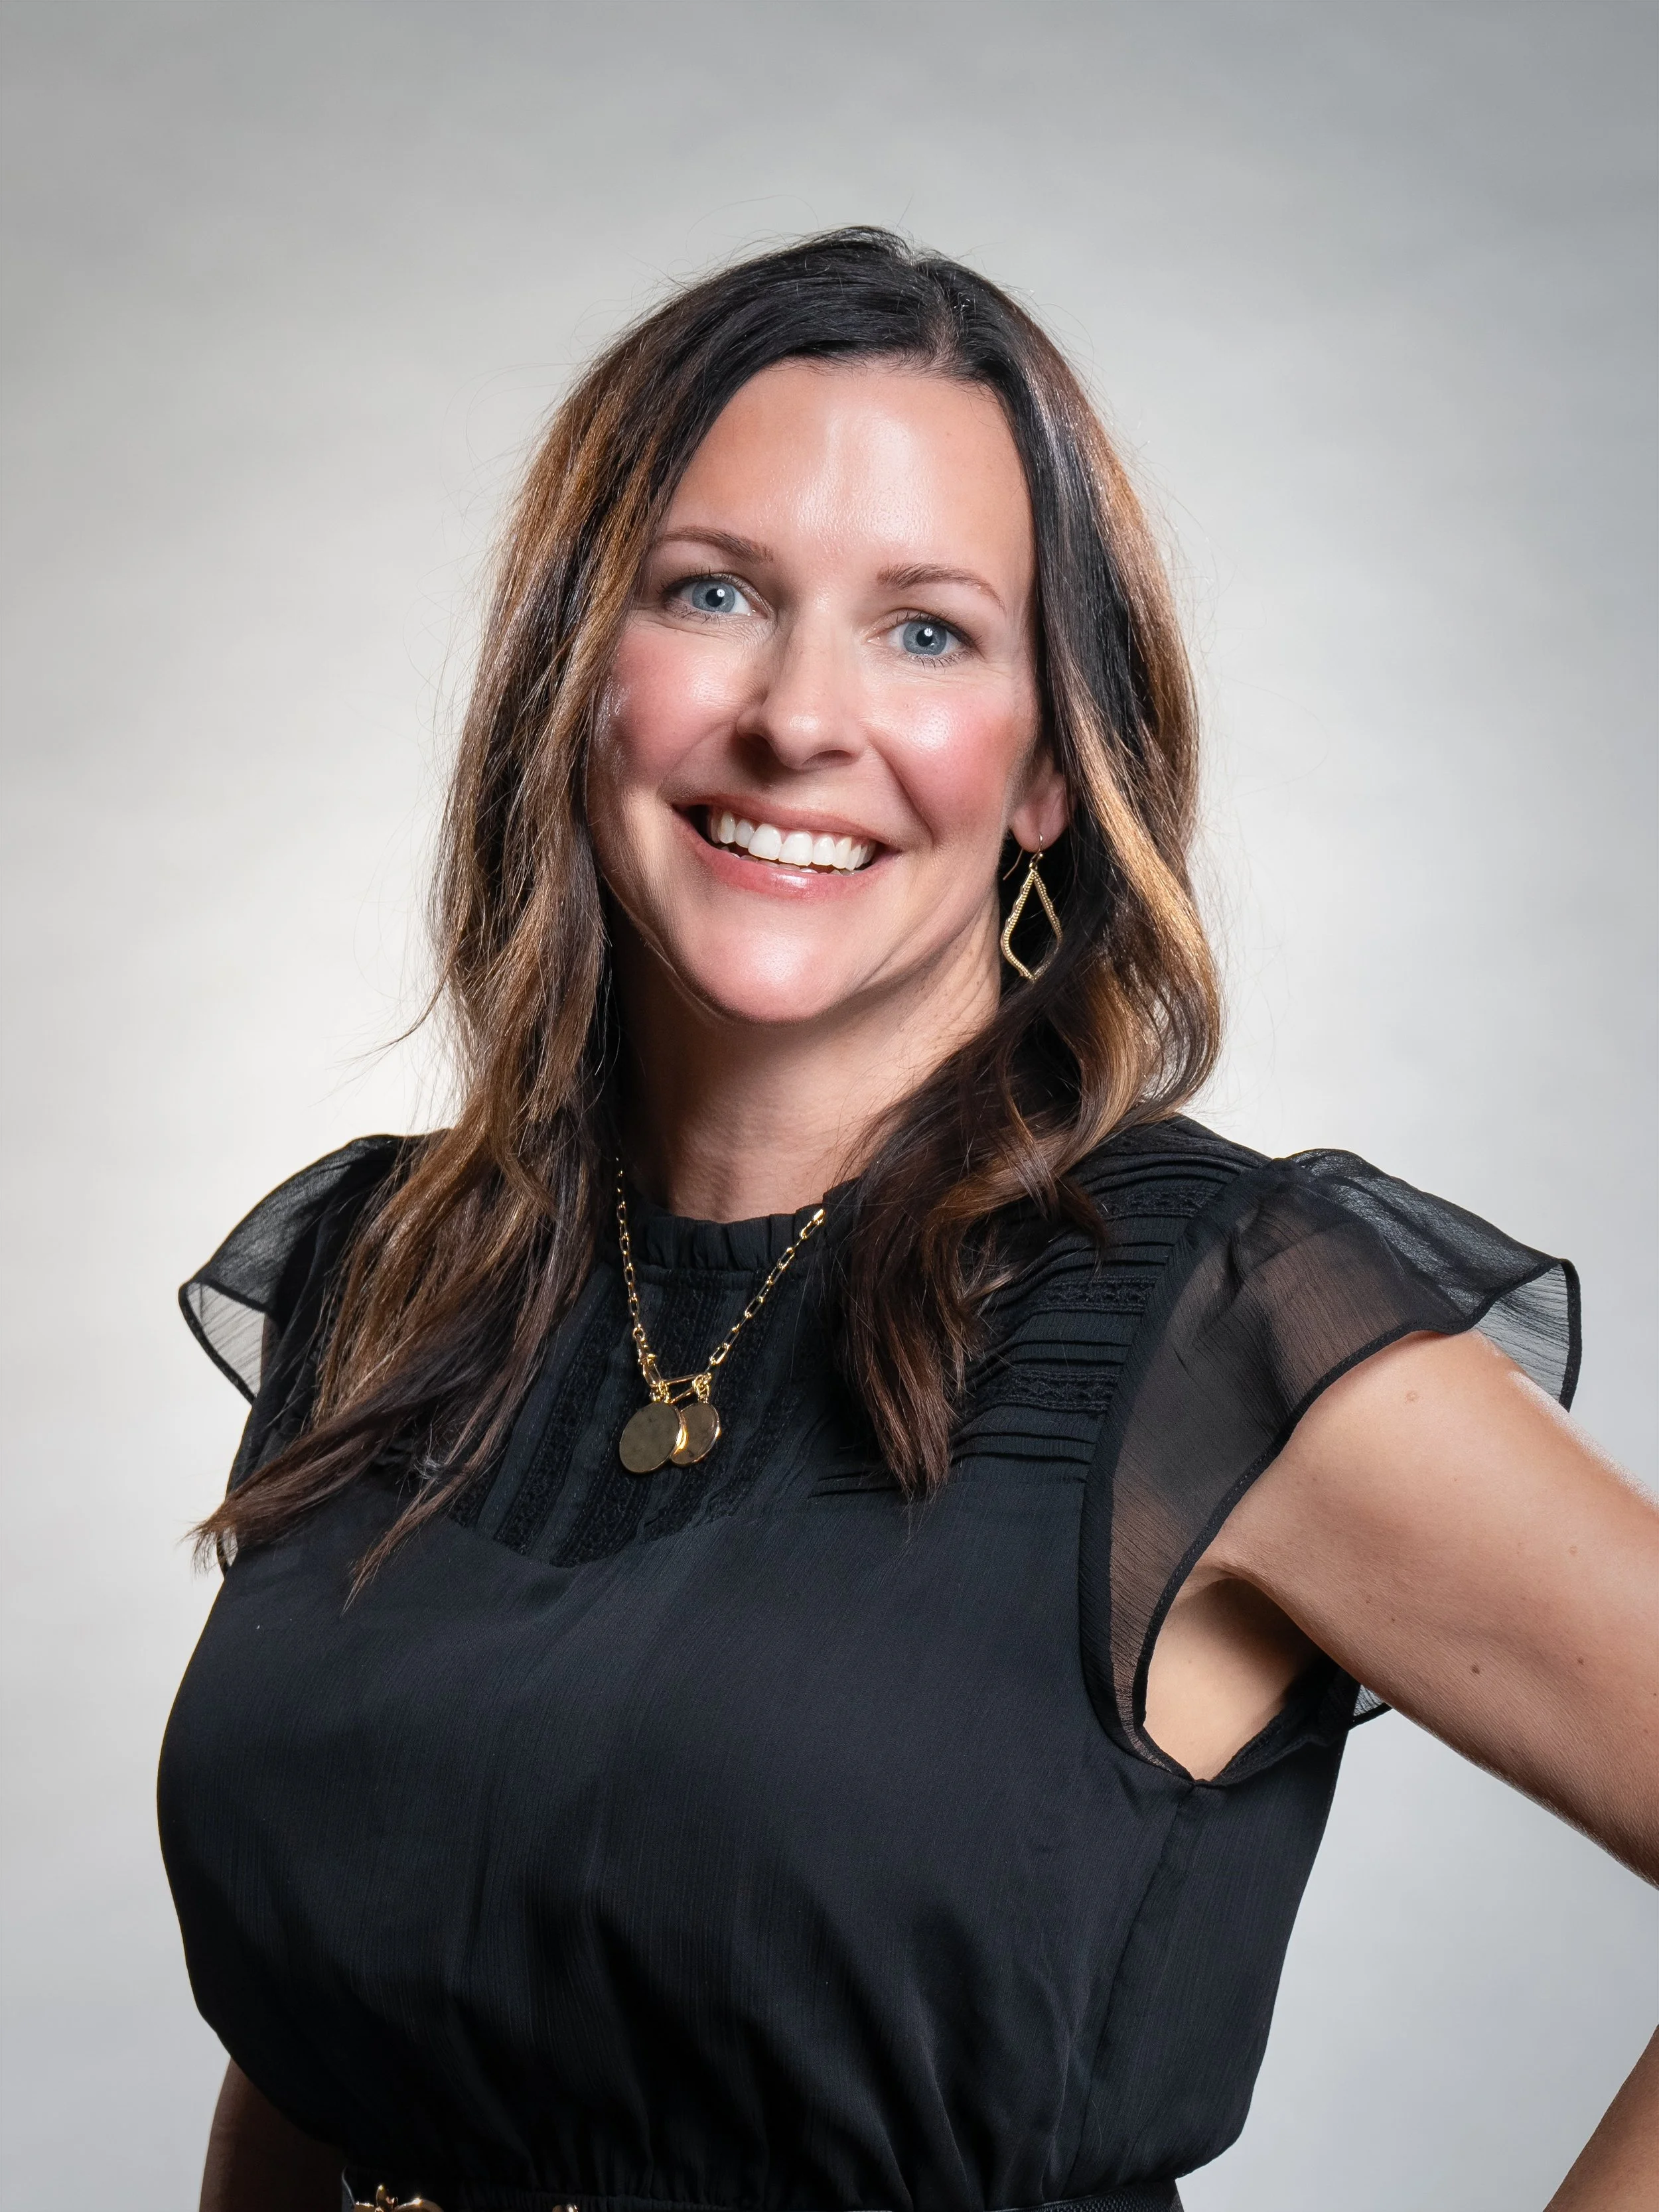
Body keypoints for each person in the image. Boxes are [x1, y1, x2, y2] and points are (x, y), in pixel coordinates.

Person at [159, 230, 1656, 2212]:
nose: (800, 717)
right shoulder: (390, 1274)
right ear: (574, 674)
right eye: (712, 595)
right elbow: (326, 2052)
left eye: (927, 631)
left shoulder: (1213, 1330)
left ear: (1049, 765)